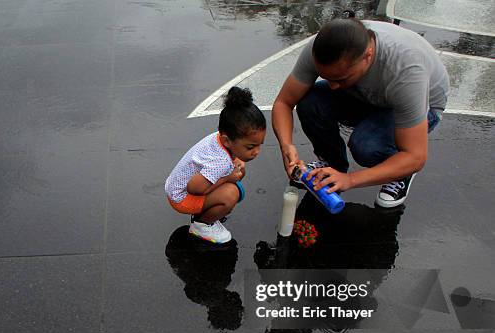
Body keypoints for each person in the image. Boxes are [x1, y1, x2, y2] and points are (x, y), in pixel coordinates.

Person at [272, 14, 449, 207]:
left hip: (423, 106)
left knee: (366, 147)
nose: (332, 86)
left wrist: (350, 180)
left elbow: (416, 156)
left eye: (341, 79)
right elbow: (284, 103)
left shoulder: (405, 69)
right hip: (369, 96)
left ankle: (401, 171)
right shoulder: (325, 46)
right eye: (326, 77)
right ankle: (332, 166)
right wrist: (286, 145)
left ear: (368, 55)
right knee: (310, 101)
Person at [165, 86, 266, 243]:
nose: (257, 152)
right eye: (250, 147)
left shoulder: (219, 139)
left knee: (237, 174)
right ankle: (202, 225)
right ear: (227, 140)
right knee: (232, 194)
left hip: (177, 186)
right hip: (181, 197)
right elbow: (194, 188)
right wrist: (227, 179)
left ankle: (205, 211)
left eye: (260, 144)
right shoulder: (220, 161)